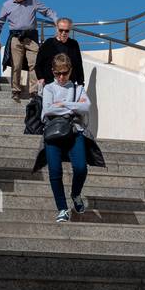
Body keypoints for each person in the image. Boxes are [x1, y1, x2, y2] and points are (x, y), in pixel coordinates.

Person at [37, 54, 91, 223]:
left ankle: (75, 194)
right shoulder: (49, 89)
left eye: (65, 73)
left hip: (74, 131)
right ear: (53, 72)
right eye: (57, 73)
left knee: (81, 168)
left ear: (70, 71)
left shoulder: (78, 88)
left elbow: (87, 106)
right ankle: (62, 208)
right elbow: (46, 111)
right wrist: (73, 108)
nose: (61, 77)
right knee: (54, 171)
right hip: (53, 132)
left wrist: (63, 105)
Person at [0, 0, 57, 102]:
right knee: (16, 65)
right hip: (16, 38)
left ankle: (33, 91)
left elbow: (47, 11)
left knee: (34, 64)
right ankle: (16, 90)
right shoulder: (7, 5)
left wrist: (56, 20)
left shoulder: (32, 0)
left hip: (31, 37)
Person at [34, 18, 85, 93]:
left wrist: (81, 83)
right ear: (57, 29)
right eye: (61, 30)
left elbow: (78, 65)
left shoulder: (74, 44)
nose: (64, 33)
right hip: (50, 85)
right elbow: (38, 64)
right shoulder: (48, 43)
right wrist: (40, 78)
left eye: (66, 30)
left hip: (69, 86)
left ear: (70, 30)